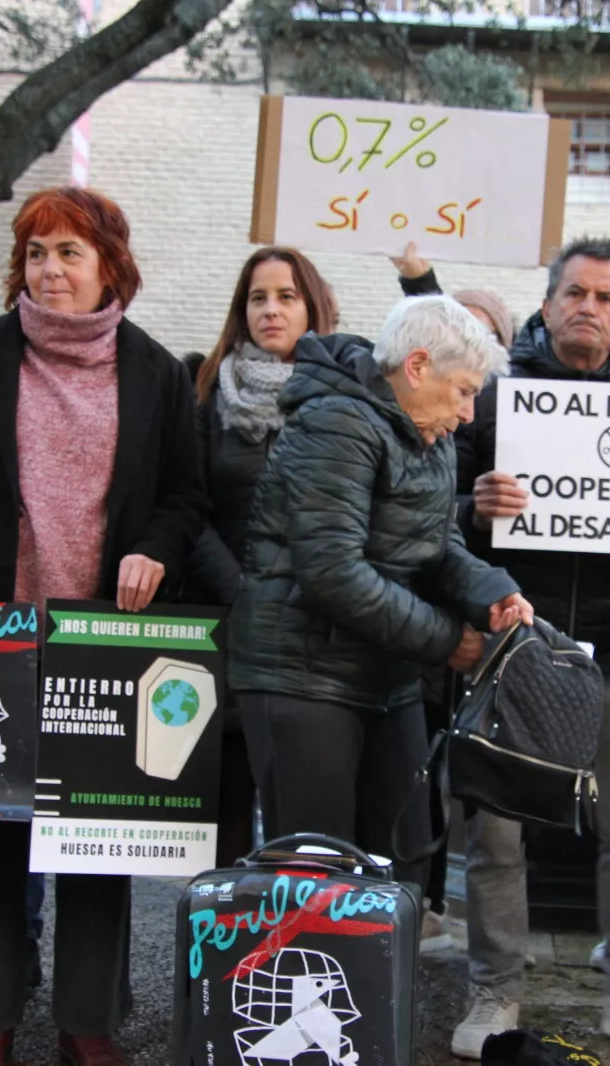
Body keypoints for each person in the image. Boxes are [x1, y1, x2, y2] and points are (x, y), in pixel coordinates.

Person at [0, 186, 206, 1066]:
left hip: (105, 640)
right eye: (37, 252)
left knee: (94, 838)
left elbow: (187, 497)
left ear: (110, 264)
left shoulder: (154, 370)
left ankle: (87, 1022)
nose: (51, 269)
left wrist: (154, 547)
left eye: (70, 252)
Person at [449, 235, 610, 1061]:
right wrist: (473, 508)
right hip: (516, 656)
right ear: (548, 303)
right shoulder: (492, 401)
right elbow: (431, 520)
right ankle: (497, 992)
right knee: (497, 836)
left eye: (608, 298)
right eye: (576, 294)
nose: (590, 308)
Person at [228, 294, 531, 900]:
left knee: (401, 868)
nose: (469, 413)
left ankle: (379, 998)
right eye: (465, 390)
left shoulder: (429, 429)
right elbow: (332, 571)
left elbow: (437, 547)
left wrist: (492, 593)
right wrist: (448, 640)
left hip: (384, 675)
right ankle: (302, 996)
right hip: (302, 677)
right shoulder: (336, 422)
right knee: (314, 882)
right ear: (416, 367)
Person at [388, 241, 516, 954]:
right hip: (415, 621)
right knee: (413, 772)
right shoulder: (404, 427)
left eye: (489, 335)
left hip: (464, 607)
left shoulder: (481, 415)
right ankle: (416, 908)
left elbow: (435, 533)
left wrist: (497, 590)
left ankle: (428, 901)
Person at [190, 247, 337, 870]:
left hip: (313, 628)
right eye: (258, 297)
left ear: (313, 306)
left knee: (300, 811)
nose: (271, 310)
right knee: (225, 804)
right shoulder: (205, 389)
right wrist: (241, 589)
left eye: (286, 296)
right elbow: (185, 504)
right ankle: (219, 952)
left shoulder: (345, 395)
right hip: (226, 622)